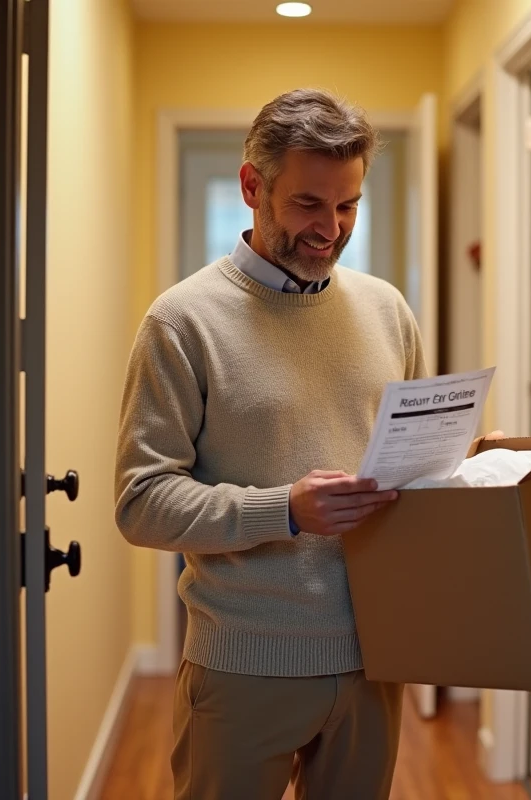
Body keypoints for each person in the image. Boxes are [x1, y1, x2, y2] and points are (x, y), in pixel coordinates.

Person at [115, 88, 424, 800]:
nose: (332, 229)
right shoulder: (181, 322)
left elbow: (403, 467)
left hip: (376, 657)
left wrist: (467, 467)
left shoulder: (388, 311)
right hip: (243, 668)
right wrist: (284, 509)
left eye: (348, 206)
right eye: (309, 204)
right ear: (252, 186)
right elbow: (140, 502)